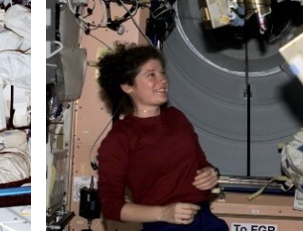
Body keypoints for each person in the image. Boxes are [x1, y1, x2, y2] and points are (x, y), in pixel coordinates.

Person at [95, 43, 226, 231]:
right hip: (164, 225)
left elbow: (201, 163)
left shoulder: (177, 118)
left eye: (162, 73)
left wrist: (211, 173)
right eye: (151, 75)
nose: (162, 80)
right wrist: (163, 213)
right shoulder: (120, 138)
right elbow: (111, 207)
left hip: (205, 219)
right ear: (127, 86)